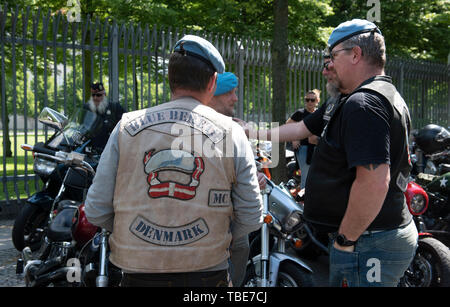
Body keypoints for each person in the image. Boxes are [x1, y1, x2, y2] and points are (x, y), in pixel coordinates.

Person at [237, 19, 418, 287]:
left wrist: (346, 240)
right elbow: (301, 128)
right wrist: (252, 131)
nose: (327, 67)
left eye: (333, 56)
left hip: (367, 242)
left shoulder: (364, 103)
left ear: (355, 54)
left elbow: (374, 182)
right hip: (369, 237)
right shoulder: (357, 97)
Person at [84, 35, 263, 287]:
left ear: (170, 79)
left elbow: (95, 209)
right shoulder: (230, 132)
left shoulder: (125, 128)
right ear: (213, 82)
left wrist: (137, 236)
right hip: (208, 273)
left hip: (138, 273)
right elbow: (252, 214)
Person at [207, 71, 265, 287]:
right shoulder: (197, 126)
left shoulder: (236, 127)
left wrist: (257, 174)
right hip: (209, 225)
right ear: (214, 95)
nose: (235, 98)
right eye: (230, 93)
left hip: (235, 226)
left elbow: (248, 165)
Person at [286, 89, 320, 189]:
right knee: (306, 175)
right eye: (307, 100)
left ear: (317, 101)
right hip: (304, 148)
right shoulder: (299, 113)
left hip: (318, 148)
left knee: (316, 175)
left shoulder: (320, 114)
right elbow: (287, 126)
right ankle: (303, 201)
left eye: (312, 100)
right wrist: (294, 139)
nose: (309, 102)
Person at [85, 82, 125, 152]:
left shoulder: (115, 108)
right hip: (90, 148)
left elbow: (125, 123)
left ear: (104, 95)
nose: (95, 98)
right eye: (93, 95)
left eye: (98, 95)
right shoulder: (87, 108)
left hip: (109, 148)